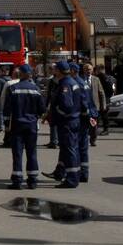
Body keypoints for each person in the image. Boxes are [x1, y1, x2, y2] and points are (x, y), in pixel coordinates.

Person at [5, 64, 45, 190]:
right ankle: (32, 180)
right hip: (32, 125)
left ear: (20, 74)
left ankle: (17, 180)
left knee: (17, 153)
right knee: (32, 152)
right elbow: (42, 109)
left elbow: (7, 110)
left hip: (17, 124)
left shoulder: (12, 88)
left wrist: (6, 125)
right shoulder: (36, 89)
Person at [43, 61, 81, 189]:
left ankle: (71, 179)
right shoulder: (72, 82)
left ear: (59, 71)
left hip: (67, 122)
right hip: (73, 120)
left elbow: (67, 106)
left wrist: (55, 112)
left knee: (69, 149)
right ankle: (62, 173)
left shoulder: (65, 84)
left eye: (55, 69)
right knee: (68, 149)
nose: (53, 71)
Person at [81, 63, 104, 146]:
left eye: (90, 69)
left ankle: (93, 140)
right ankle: (84, 140)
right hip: (84, 106)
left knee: (93, 125)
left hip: (94, 106)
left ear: (92, 70)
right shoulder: (80, 80)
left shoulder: (96, 79)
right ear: (83, 70)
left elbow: (101, 93)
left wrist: (103, 105)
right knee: (84, 124)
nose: (88, 71)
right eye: (86, 69)